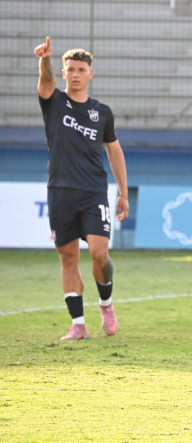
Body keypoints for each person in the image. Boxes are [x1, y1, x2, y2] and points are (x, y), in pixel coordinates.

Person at [34, 36, 129, 340]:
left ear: (90, 74)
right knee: (68, 258)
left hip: (93, 192)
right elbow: (45, 80)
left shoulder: (102, 112)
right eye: (70, 69)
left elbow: (114, 151)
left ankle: (106, 303)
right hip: (60, 190)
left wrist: (124, 193)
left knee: (99, 254)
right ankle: (78, 325)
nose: (75, 74)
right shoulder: (53, 100)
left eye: (80, 69)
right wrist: (45, 60)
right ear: (63, 73)